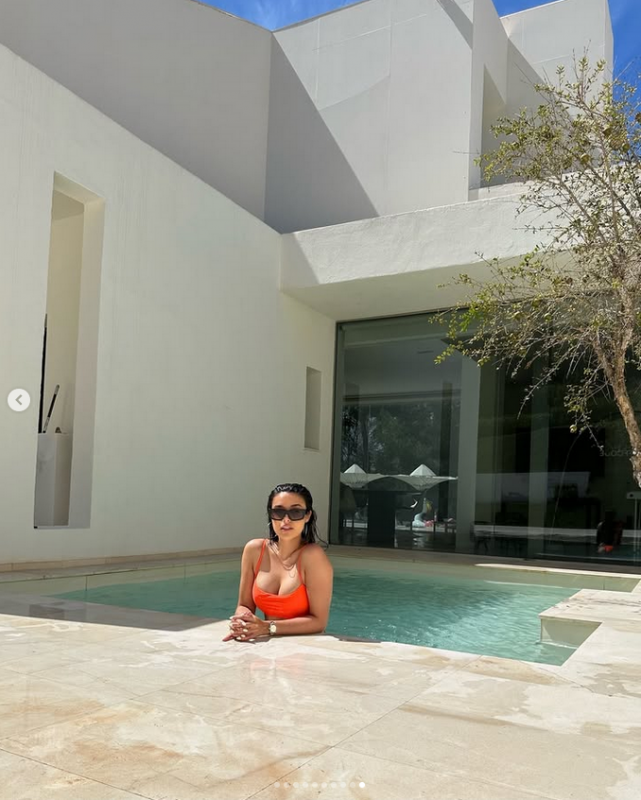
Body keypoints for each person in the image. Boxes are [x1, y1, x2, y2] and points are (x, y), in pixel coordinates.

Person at [223, 483, 333, 642]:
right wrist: (241, 621)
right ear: (270, 514)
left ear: (307, 516)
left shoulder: (312, 556)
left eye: (295, 512)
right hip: (270, 644)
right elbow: (245, 604)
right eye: (278, 512)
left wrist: (267, 627)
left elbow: (319, 622)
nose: (286, 520)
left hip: (305, 645)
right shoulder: (255, 550)